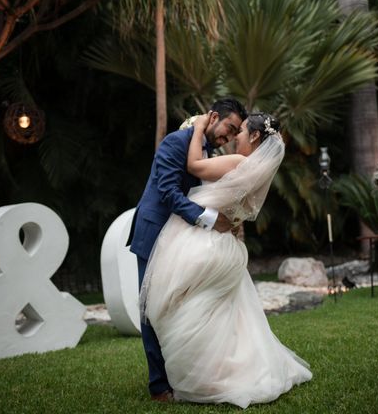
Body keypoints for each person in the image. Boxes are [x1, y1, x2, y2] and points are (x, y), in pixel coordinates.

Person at [140, 112, 312, 408]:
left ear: (256, 136)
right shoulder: (261, 172)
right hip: (226, 247)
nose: (236, 137)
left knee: (181, 308)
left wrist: (196, 129)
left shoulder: (239, 163)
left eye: (242, 131)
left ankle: (199, 377)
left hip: (204, 244)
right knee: (219, 318)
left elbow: (194, 166)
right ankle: (220, 371)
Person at [128, 98, 248, 401]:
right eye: (229, 128)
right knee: (152, 309)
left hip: (183, 238)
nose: (228, 137)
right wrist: (210, 220)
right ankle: (159, 386)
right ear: (214, 116)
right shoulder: (175, 142)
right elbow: (168, 192)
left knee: (182, 305)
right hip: (155, 231)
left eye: (234, 134)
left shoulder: (207, 150)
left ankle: (187, 376)